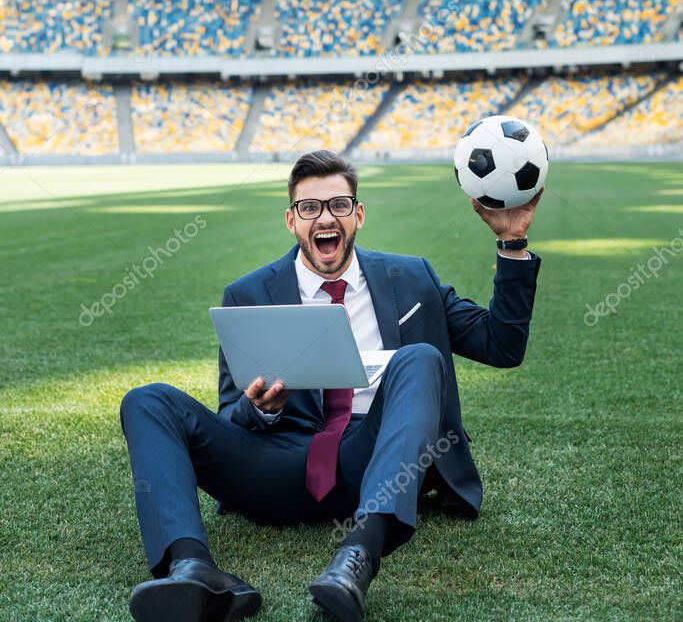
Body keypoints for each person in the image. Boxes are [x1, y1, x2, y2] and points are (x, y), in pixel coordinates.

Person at [120, 149, 543, 622]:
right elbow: (229, 417)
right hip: (276, 463)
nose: (326, 217)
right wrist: (261, 410)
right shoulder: (248, 295)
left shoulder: (412, 278)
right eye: (310, 208)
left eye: (339, 205)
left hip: (375, 458)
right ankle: (191, 568)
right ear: (292, 220)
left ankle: (357, 558)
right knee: (147, 400)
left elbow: (501, 346)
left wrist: (512, 242)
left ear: (358, 214)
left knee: (420, 358)